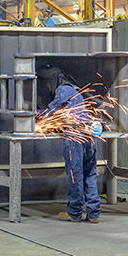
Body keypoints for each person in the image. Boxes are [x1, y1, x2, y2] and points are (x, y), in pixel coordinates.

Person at [37, 65, 101, 224]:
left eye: (47, 83)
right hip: (89, 135)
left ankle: (74, 212)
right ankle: (94, 214)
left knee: (75, 175)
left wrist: (35, 113)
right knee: (90, 174)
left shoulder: (63, 90)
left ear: (52, 80)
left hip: (75, 136)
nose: (47, 86)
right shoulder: (76, 91)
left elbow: (51, 113)